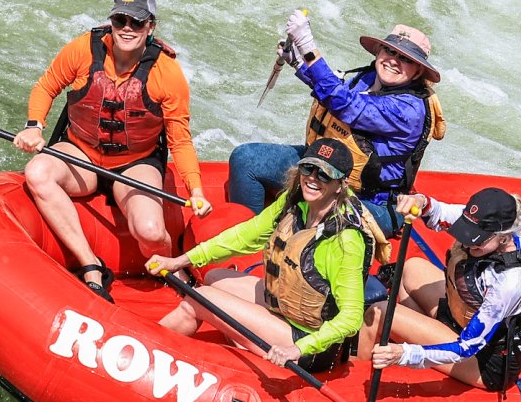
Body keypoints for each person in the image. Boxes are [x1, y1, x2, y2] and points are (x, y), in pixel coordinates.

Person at [13, 0, 212, 303]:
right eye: (121, 20)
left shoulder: (167, 73)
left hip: (136, 164)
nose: (127, 29)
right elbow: (46, 86)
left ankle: (172, 270)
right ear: (112, 21)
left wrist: (196, 191)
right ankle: (91, 265)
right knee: (37, 171)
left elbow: (180, 139)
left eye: (137, 22)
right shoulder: (83, 48)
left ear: (151, 26)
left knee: (149, 230)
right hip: (81, 154)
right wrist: (34, 126)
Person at [146, 138, 389, 372]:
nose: (312, 179)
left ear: (341, 184)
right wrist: (180, 260)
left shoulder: (345, 240)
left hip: (309, 345)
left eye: (324, 174)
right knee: (214, 278)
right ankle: (247, 338)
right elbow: (245, 236)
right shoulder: (294, 202)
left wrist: (298, 349)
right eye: (308, 168)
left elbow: (350, 318)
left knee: (199, 298)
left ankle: (144, 348)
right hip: (286, 309)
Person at [226, 10, 446, 236]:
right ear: (379, 51)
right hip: (324, 165)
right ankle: (246, 238)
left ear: (418, 70)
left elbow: (348, 106)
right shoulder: (370, 77)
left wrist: (307, 45)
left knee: (321, 208)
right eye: (389, 50)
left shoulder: (409, 109)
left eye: (406, 59)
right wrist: (299, 63)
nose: (393, 60)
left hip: (365, 199)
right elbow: (334, 92)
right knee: (246, 159)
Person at [363, 188, 521, 391]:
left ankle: (354, 381)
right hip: (460, 319)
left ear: (503, 237)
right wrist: (420, 201)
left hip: (483, 359)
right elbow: (437, 211)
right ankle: (423, 338)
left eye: (475, 239)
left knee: (379, 312)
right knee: (411, 269)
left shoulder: (510, 282)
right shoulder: (487, 223)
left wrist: (405, 354)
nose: (466, 241)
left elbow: (467, 347)